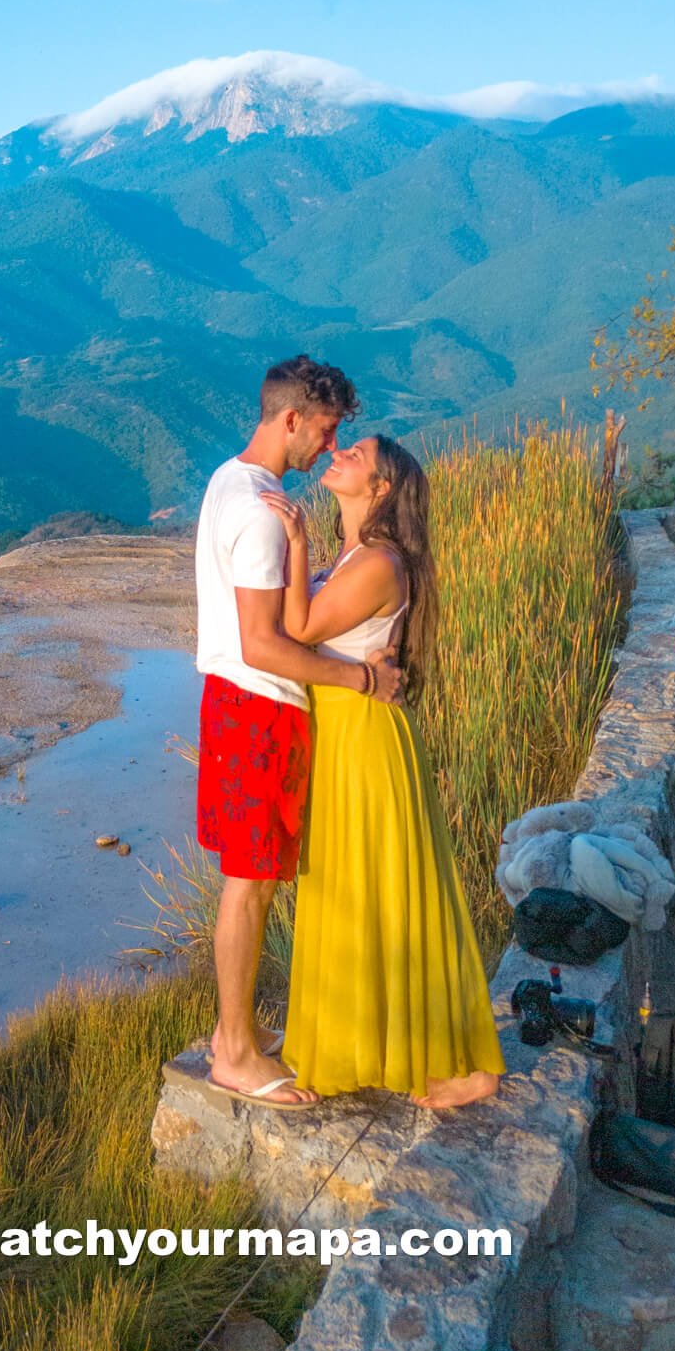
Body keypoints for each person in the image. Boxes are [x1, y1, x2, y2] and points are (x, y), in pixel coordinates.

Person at [264, 435, 505, 1109]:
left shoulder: (378, 562)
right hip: (345, 735)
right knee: (356, 888)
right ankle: (379, 1045)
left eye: (358, 454)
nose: (338, 453)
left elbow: (300, 626)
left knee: (385, 889)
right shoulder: (360, 555)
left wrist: (296, 545)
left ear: (381, 489)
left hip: (364, 741)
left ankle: (457, 1063)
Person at [194, 357, 405, 1111]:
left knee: (246, 879)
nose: (329, 443)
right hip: (259, 705)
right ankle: (238, 1054)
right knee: (248, 887)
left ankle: (232, 1038)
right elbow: (265, 644)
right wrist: (362, 679)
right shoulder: (259, 512)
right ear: (291, 420)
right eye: (326, 428)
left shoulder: (229, 481)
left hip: (231, 702)